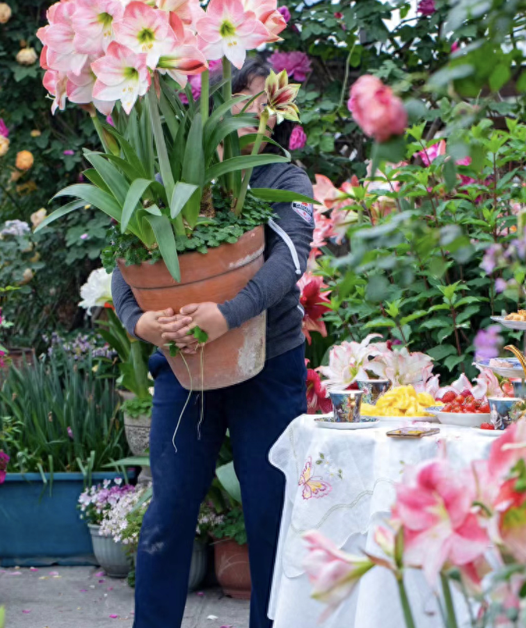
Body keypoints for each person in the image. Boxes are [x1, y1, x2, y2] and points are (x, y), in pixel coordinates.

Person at [111, 57, 314, 628]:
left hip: (268, 366)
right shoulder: (172, 174)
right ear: (211, 108)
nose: (254, 111)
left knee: (271, 517)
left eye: (263, 100)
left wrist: (227, 314)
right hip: (184, 368)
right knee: (168, 514)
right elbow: (129, 259)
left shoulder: (284, 177)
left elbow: (289, 262)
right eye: (242, 98)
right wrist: (139, 322)